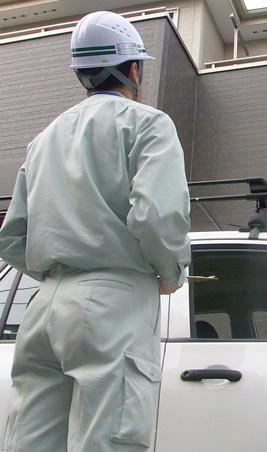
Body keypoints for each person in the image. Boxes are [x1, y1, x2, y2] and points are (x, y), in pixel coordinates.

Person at [0, 11, 191, 452]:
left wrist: (58, 276)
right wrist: (170, 273)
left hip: (44, 305)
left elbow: (11, 236)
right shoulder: (148, 123)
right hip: (111, 302)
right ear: (134, 69)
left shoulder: (43, 139)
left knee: (30, 440)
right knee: (108, 439)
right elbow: (157, 215)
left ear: (81, 73)